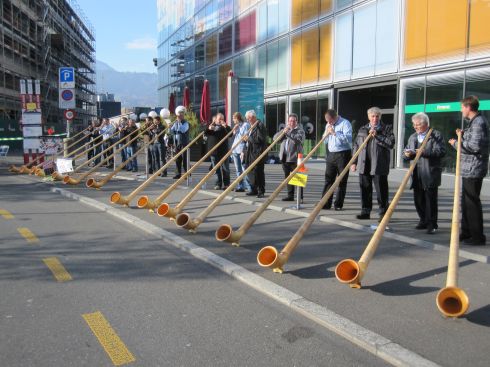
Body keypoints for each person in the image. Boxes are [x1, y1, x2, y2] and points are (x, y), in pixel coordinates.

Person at [449, 95, 489, 246]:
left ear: (468, 107)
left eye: (461, 108)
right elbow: (473, 140)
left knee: (472, 202)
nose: (461, 111)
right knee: (466, 202)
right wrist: (464, 134)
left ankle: (477, 236)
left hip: (474, 168)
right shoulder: (475, 122)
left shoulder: (478, 122)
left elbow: (474, 146)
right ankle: (466, 232)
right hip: (469, 168)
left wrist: (455, 143)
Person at [404, 112, 445, 234]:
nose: (415, 127)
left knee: (430, 200)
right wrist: (407, 155)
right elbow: (406, 151)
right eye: (414, 125)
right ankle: (423, 220)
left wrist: (423, 152)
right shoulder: (412, 137)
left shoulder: (435, 135)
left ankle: (432, 224)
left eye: (418, 125)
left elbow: (441, 151)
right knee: (418, 199)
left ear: (426, 124)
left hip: (430, 172)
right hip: (416, 172)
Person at [351, 107, 395, 220]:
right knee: (365, 189)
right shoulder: (362, 129)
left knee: (381, 191)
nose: (375, 118)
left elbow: (390, 144)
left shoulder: (387, 129)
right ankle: (365, 211)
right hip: (364, 164)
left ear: (380, 117)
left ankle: (383, 214)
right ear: (368, 117)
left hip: (379, 165)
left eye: (377, 116)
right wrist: (354, 162)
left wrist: (378, 136)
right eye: (373, 116)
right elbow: (356, 146)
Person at [322, 109, 352, 210]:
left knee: (341, 180)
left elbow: (348, 140)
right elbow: (325, 141)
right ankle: (325, 203)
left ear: (335, 117)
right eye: (327, 121)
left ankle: (338, 204)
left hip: (343, 154)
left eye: (330, 121)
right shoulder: (328, 124)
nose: (329, 123)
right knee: (328, 179)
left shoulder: (345, 123)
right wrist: (326, 133)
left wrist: (335, 133)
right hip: (331, 154)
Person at [273, 113, 305, 201]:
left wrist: (288, 134)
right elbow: (275, 138)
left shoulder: (300, 131)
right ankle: (290, 196)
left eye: (293, 121)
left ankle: (300, 197)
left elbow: (298, 141)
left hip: (296, 158)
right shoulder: (285, 130)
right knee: (287, 177)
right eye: (290, 121)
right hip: (284, 157)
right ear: (288, 121)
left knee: (298, 177)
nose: (291, 123)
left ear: (296, 122)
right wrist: (283, 132)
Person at [244, 110, 267, 198]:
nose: (248, 121)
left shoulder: (260, 125)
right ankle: (254, 189)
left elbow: (260, 139)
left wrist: (249, 138)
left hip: (258, 153)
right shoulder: (252, 126)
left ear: (253, 117)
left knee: (258, 172)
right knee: (250, 171)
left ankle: (261, 190)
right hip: (250, 152)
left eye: (248, 119)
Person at [207, 113, 232, 189]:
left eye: (222, 119)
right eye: (219, 119)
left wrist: (226, 126)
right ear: (216, 119)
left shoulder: (225, 127)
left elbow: (231, 134)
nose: (221, 120)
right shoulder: (212, 127)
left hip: (223, 151)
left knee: (225, 169)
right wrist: (209, 128)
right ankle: (218, 183)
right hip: (214, 151)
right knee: (216, 169)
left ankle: (227, 184)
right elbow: (206, 133)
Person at [231, 112, 251, 193]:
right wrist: (234, 130)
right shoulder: (237, 126)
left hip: (241, 149)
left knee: (244, 169)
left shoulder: (245, 125)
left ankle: (249, 186)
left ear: (237, 118)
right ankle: (241, 186)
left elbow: (246, 138)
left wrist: (244, 150)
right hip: (235, 150)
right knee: (238, 170)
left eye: (234, 118)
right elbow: (234, 136)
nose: (233, 120)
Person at [170, 105, 190, 179]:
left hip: (184, 143)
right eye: (178, 115)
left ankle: (187, 174)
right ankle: (178, 174)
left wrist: (179, 123)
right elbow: (172, 131)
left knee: (185, 159)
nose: (179, 117)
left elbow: (183, 130)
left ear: (183, 116)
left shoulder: (185, 123)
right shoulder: (175, 123)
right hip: (177, 143)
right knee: (178, 159)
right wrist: (170, 127)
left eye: (181, 115)